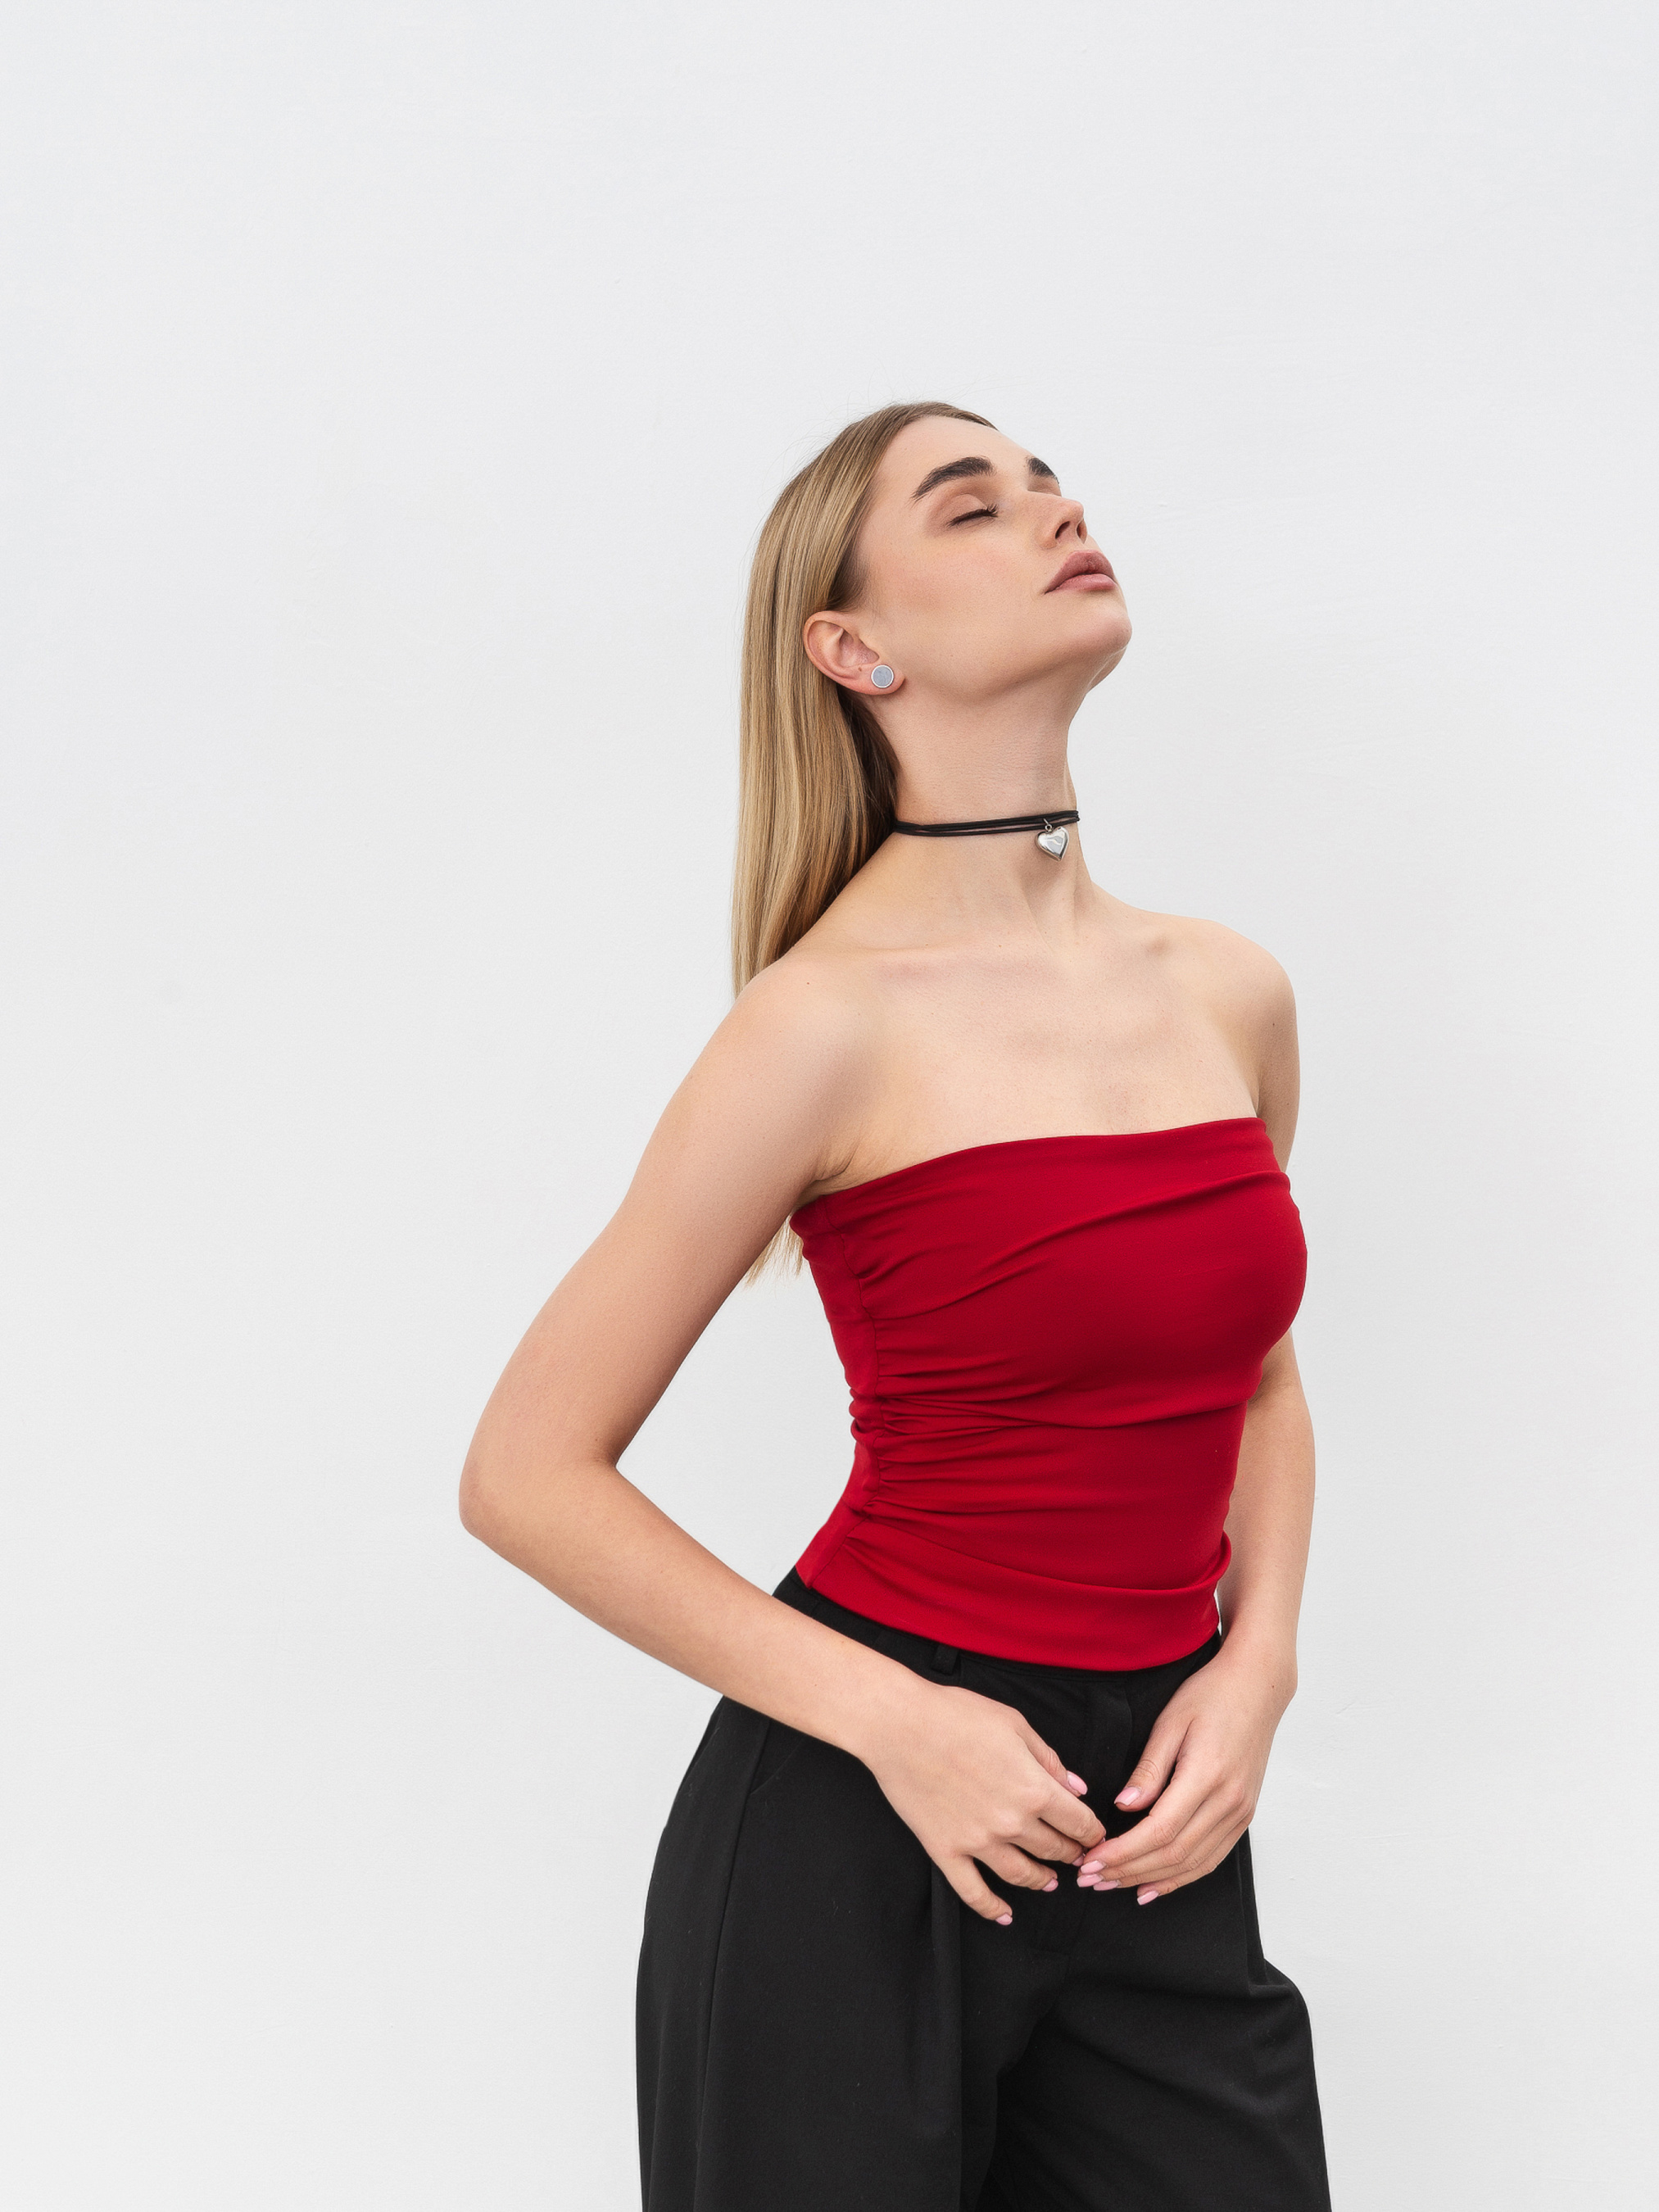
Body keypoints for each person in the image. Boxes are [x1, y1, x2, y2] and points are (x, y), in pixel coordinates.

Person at [460, 401, 1332, 2211]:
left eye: (1049, 483)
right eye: (970, 505)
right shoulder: (819, 1026)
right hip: (857, 1828)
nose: (1053, 510)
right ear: (851, 649)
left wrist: (1256, 1663)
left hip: (1154, 1834)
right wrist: (898, 1722)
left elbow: (1245, 1375)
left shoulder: (1225, 992)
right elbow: (526, 1472)